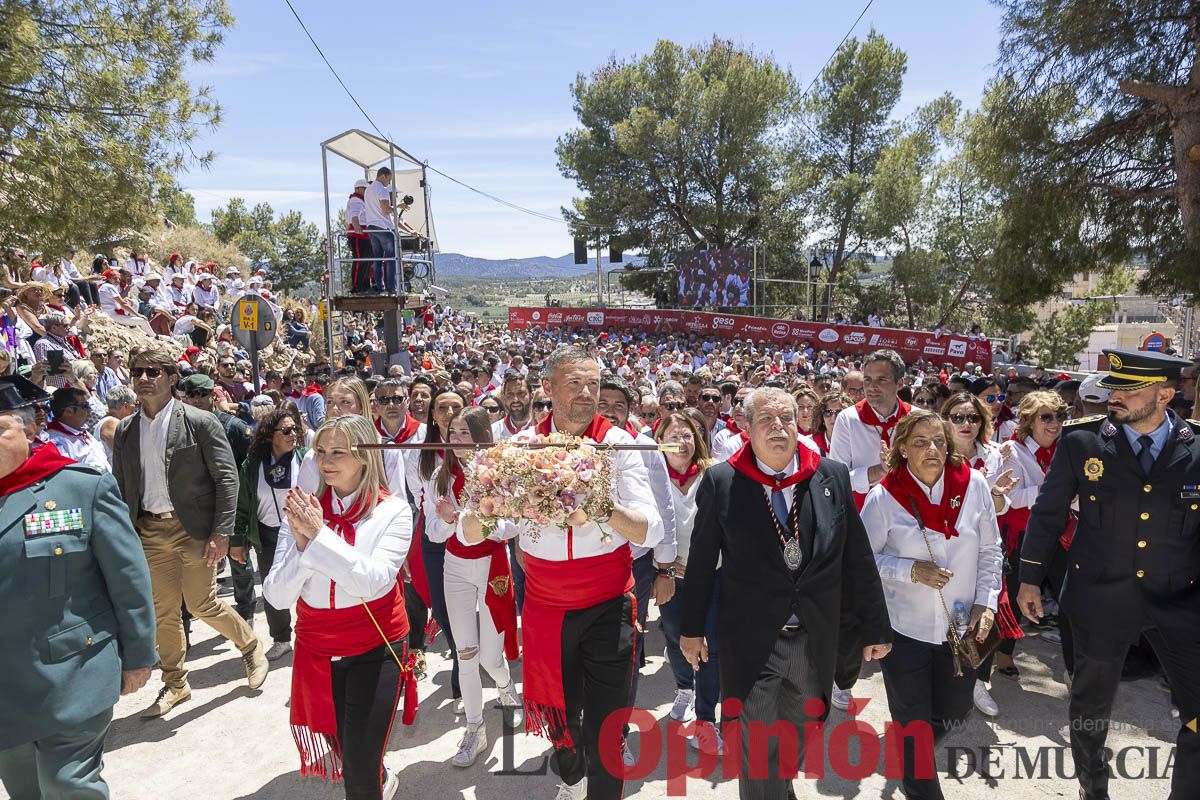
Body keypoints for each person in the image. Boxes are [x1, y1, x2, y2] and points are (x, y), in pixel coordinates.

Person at [460, 345, 663, 800]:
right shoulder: (518, 448)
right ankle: (572, 779)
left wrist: (599, 507)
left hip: (610, 604)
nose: (587, 393)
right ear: (548, 389)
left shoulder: (621, 444)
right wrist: (483, 509)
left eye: (593, 383)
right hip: (546, 609)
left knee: (608, 727)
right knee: (562, 721)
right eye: (574, 383)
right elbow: (473, 531)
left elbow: (652, 529)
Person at [679, 386, 892, 800]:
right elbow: (703, 561)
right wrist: (691, 629)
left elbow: (858, 556)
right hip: (752, 638)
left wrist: (875, 625)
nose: (778, 428)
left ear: (800, 424)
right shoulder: (723, 480)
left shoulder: (828, 475)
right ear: (746, 428)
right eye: (766, 420)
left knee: (799, 733)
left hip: (814, 636)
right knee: (757, 746)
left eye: (786, 419)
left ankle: (778, 787)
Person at [1018, 349, 1200, 800]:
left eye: (1127, 389)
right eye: (1113, 386)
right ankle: (1092, 789)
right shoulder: (1083, 441)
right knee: (1089, 710)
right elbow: (1048, 513)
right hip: (1099, 595)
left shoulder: (1197, 447)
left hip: (1177, 600)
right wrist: (1028, 578)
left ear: (1165, 394)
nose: (1113, 396)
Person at [0, 376, 157, 800]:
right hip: (6, 687)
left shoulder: (81, 488)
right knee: (25, 789)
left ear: (30, 429)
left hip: (72, 671)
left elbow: (128, 576)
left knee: (67, 784)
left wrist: (138, 656)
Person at [262, 415, 415, 800]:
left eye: (338, 453)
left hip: (375, 645)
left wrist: (316, 538)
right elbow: (277, 596)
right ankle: (380, 776)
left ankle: (372, 780)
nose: (326, 461)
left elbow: (371, 583)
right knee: (346, 751)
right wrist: (303, 549)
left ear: (363, 456)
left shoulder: (393, 511)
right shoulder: (302, 509)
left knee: (359, 771)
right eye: (320, 452)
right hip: (316, 648)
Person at [111, 344, 268, 717]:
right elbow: (121, 483)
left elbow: (227, 478)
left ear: (171, 378)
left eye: (153, 372)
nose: (144, 379)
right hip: (149, 530)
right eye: (138, 373)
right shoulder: (126, 430)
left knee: (201, 603)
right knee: (163, 611)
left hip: (193, 529)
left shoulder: (198, 421)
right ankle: (176, 684)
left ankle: (250, 647)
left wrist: (222, 532)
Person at [861, 409, 1003, 800]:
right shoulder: (883, 497)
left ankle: (909, 759)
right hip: (904, 630)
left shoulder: (973, 484)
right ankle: (920, 783)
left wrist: (986, 601)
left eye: (939, 441)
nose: (933, 449)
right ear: (902, 447)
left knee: (955, 712)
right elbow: (860, 560)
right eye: (920, 442)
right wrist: (909, 570)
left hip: (961, 627)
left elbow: (991, 549)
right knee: (913, 723)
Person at [428, 406, 522, 768]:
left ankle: (504, 687)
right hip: (455, 568)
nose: (457, 439)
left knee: (489, 657)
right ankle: (475, 727)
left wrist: (477, 524)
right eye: (453, 432)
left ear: (482, 435)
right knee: (465, 653)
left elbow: (513, 524)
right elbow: (433, 532)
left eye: (465, 433)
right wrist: (452, 521)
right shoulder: (440, 474)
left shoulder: (501, 472)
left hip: (494, 567)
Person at [826, 348, 910, 711]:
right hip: (857, 527)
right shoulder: (847, 419)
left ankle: (905, 684)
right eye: (868, 381)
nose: (872, 388)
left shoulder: (918, 419)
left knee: (898, 603)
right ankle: (843, 679)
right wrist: (877, 472)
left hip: (905, 525)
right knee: (851, 609)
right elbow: (835, 474)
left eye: (882, 380)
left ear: (900, 383)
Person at [940, 391, 1022, 717]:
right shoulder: (935, 454)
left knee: (984, 617)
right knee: (947, 618)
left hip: (983, 551)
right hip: (945, 552)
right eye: (957, 417)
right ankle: (949, 679)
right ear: (946, 420)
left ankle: (978, 681)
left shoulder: (991, 456)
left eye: (972, 417)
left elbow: (1001, 507)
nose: (965, 424)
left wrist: (996, 494)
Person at [652, 411, 723, 753]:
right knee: (676, 638)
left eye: (687, 435)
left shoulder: (715, 473)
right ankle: (684, 689)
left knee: (709, 645)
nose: (681, 442)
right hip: (671, 579)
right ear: (658, 443)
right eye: (673, 435)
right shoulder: (650, 478)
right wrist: (661, 573)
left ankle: (706, 720)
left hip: (711, 577)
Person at [997, 389, 1070, 683]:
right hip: (1021, 536)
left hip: (1060, 534)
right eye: (1047, 417)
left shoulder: (1067, 448)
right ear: (1028, 420)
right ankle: (1004, 653)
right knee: (1014, 598)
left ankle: (1074, 663)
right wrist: (1056, 492)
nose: (1055, 423)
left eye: (1060, 416)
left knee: (1071, 597)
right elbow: (1013, 498)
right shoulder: (1012, 451)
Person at [231, 408, 308, 662]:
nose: (292, 434)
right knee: (273, 587)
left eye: (295, 429)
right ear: (270, 435)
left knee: (310, 585)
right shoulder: (253, 465)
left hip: (303, 534)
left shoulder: (305, 458)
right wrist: (238, 541)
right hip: (267, 536)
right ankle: (282, 639)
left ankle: (312, 636)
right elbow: (242, 506)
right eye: (285, 430)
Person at [46, 386, 110, 470]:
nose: (89, 409)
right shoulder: (55, 442)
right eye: (85, 406)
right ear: (69, 412)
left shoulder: (80, 430)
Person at [363, 167, 397, 293]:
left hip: (371, 226)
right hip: (383, 227)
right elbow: (385, 210)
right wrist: (397, 207)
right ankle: (392, 287)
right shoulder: (382, 190)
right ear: (383, 176)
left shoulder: (368, 190)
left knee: (378, 258)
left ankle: (379, 286)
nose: (389, 183)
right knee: (391, 259)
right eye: (389, 179)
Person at [346, 179, 375, 293]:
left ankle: (364, 285)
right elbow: (354, 215)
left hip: (364, 234)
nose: (366, 191)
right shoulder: (356, 200)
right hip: (358, 235)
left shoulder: (361, 200)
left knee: (366, 261)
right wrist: (357, 227)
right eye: (364, 188)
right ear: (357, 189)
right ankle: (357, 286)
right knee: (360, 260)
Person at [492, 369, 535, 441]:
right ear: (504, 397)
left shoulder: (543, 430)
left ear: (531, 395)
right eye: (510, 394)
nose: (515, 399)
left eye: (521, 394)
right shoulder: (493, 431)